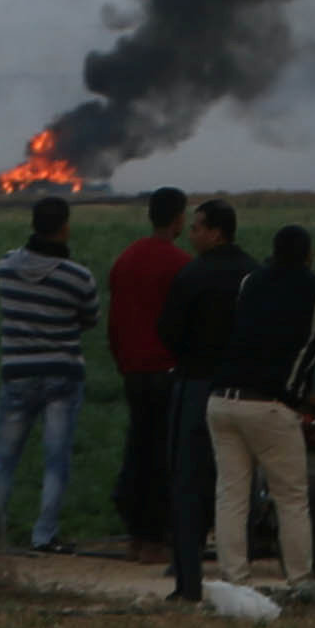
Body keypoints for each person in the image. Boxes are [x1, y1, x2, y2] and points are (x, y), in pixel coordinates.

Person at [207, 224, 315, 586]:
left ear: (273, 252)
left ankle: (234, 580)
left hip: (221, 400)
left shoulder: (249, 283)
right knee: (291, 497)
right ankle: (300, 580)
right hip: (270, 406)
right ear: (309, 255)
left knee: (231, 495)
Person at [0, 193, 98, 555]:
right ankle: (45, 535)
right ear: (64, 228)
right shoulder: (79, 277)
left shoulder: (5, 267)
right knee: (56, 458)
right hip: (61, 374)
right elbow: (90, 318)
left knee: (4, 457)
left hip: (17, 373)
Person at [157, 198, 256, 603]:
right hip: (245, 389)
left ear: (215, 233)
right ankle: (239, 580)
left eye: (197, 227)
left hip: (197, 385)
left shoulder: (192, 275)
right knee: (237, 486)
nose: (191, 234)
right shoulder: (253, 273)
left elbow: (169, 331)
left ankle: (188, 581)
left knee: (187, 483)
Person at [108, 186, 190, 564]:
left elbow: (115, 320)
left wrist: (123, 360)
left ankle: (136, 535)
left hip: (133, 371)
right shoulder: (181, 264)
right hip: (166, 370)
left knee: (137, 450)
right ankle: (156, 539)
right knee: (164, 455)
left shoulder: (126, 259)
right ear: (179, 218)